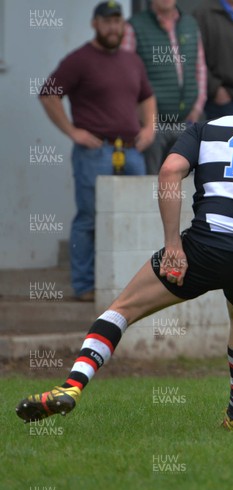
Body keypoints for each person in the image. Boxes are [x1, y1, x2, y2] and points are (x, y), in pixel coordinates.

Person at [17, 72, 233, 431]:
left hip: (208, 244)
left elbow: (170, 170)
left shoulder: (206, 130)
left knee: (122, 309)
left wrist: (173, 245)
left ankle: (72, 387)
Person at [38, 1, 156, 302]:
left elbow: (147, 97)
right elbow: (49, 94)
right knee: (90, 219)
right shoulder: (79, 60)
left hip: (131, 152)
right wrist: (72, 131)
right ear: (95, 24)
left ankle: (128, 285)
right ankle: (84, 286)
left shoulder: (132, 60)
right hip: (95, 153)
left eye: (118, 22)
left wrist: (149, 129)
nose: (113, 28)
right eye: (107, 22)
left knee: (136, 216)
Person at [123, 0, 207, 175]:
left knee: (188, 186)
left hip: (186, 122)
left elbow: (200, 69)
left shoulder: (190, 24)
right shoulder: (134, 27)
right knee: (151, 185)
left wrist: (196, 108)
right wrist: (144, 121)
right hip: (152, 126)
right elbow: (125, 77)